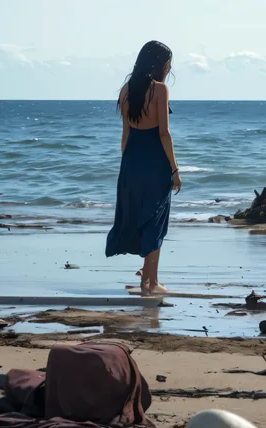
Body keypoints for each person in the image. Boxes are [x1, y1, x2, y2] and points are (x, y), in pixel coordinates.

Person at [105, 41, 181, 295]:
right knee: (156, 220)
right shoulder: (160, 90)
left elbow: (125, 134)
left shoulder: (126, 90)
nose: (170, 67)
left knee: (141, 216)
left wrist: (125, 167)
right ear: (159, 64)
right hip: (155, 162)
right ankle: (151, 282)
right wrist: (175, 168)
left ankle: (146, 280)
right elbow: (164, 133)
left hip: (131, 162)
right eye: (168, 62)